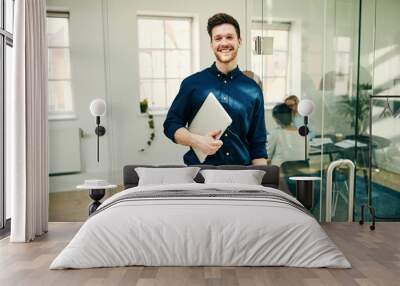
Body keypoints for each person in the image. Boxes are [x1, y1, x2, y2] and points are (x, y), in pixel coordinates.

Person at [163, 13, 267, 166]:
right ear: (211, 44)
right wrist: (196, 140)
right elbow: (171, 125)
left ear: (239, 41)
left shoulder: (253, 89)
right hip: (199, 174)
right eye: (218, 38)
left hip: (241, 176)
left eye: (229, 37)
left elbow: (258, 144)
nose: (224, 43)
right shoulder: (192, 84)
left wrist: (261, 184)